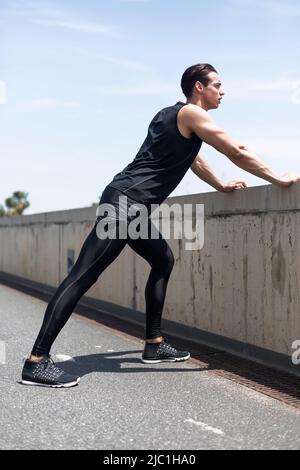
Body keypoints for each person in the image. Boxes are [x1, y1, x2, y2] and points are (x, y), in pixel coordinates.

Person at [21, 63, 300, 388]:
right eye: (218, 85)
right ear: (199, 87)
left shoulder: (170, 116)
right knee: (82, 275)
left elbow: (194, 160)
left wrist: (220, 187)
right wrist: (279, 178)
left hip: (129, 206)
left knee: (162, 259)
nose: (222, 92)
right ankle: (36, 361)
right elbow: (235, 150)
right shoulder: (193, 115)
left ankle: (153, 344)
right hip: (125, 205)